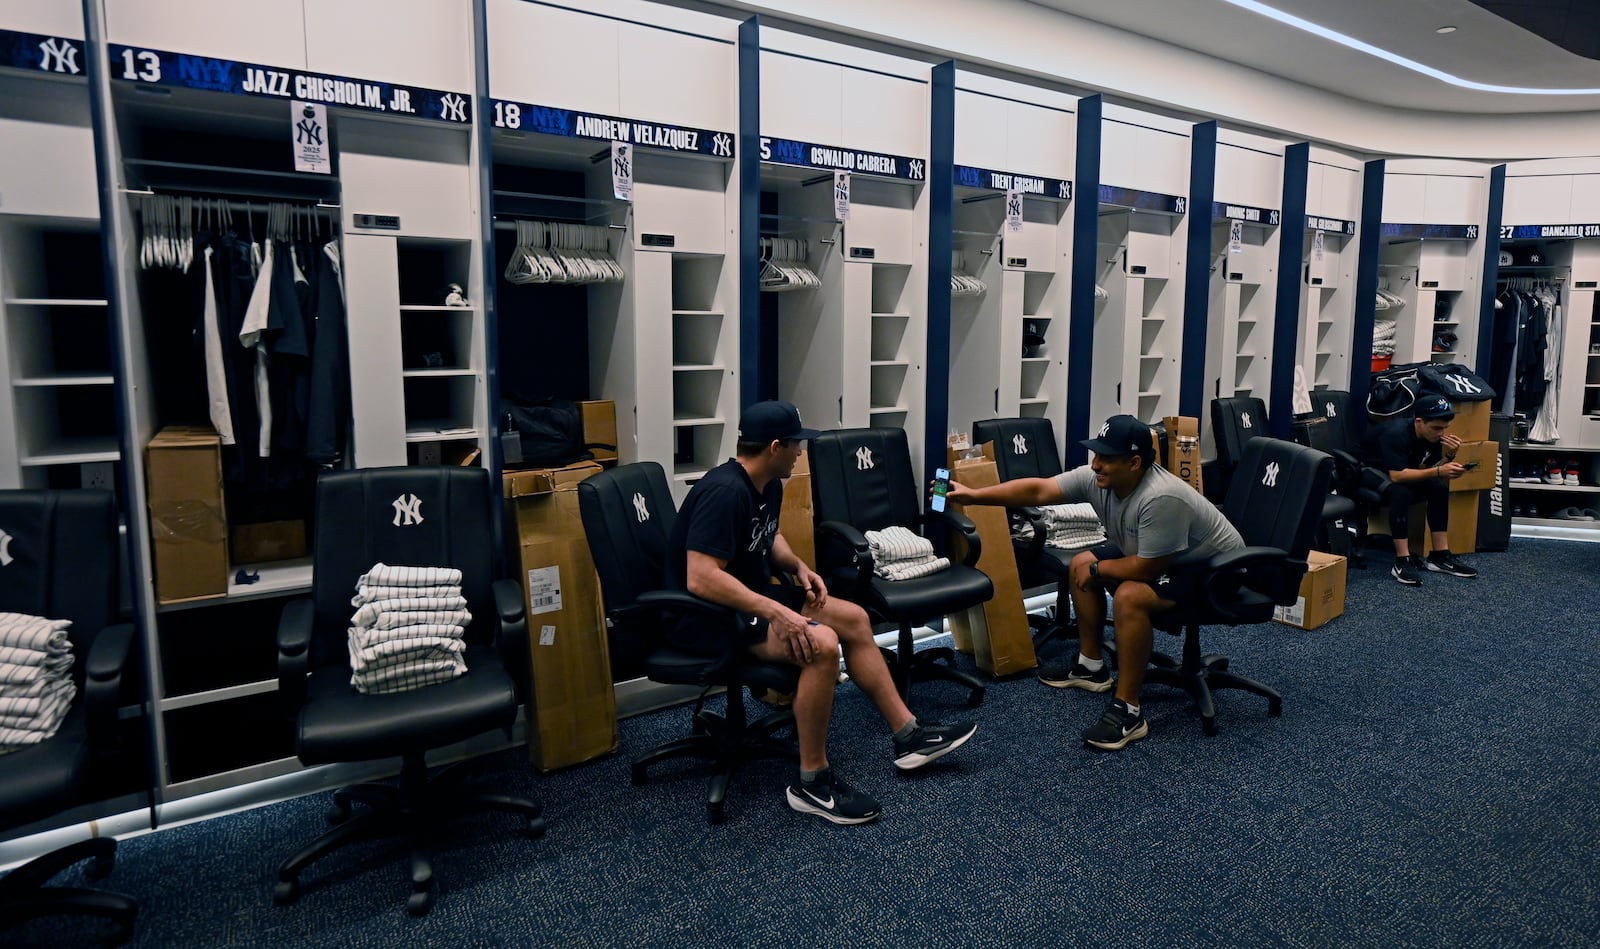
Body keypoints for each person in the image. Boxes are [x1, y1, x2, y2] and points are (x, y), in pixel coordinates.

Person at [665, 400, 977, 825]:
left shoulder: (767, 483)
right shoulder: (724, 491)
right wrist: (777, 610)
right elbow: (700, 577)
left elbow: (767, 535)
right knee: (822, 645)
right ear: (775, 446)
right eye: (797, 444)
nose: (801, 452)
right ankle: (812, 782)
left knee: (853, 618)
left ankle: (909, 736)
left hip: (748, 602)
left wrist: (797, 566)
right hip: (705, 618)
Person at [944, 414, 1243, 751]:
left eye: (1106, 458)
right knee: (1083, 561)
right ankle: (1091, 667)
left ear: (1134, 462)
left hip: (1215, 572)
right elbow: (1039, 489)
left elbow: (1146, 569)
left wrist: (1102, 572)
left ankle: (1128, 710)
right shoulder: (1099, 478)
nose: (1096, 464)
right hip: (1165, 556)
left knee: (1129, 595)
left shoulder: (1161, 498)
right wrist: (973, 496)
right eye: (1095, 455)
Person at [1360, 395, 1478, 586]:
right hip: (1365, 469)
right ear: (1419, 421)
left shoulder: (1431, 436)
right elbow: (1398, 476)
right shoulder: (1396, 433)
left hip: (1395, 470)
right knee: (1400, 492)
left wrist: (1449, 456)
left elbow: (1425, 470)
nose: (1442, 433)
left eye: (1445, 428)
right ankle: (1402, 560)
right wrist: (1439, 471)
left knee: (1438, 488)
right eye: (1437, 428)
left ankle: (1439, 555)